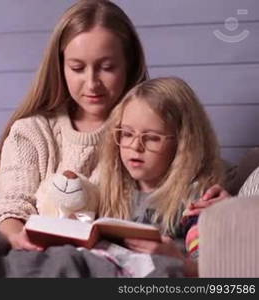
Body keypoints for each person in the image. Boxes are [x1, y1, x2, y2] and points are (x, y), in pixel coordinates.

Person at [0, 0, 228, 251]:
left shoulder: (144, 132)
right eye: (77, 68)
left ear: (129, 64)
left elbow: (191, 170)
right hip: (34, 254)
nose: (92, 84)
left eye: (107, 67)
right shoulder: (31, 132)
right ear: (60, 67)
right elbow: (11, 201)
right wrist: (16, 237)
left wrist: (225, 208)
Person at [95, 77, 224, 276]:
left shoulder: (195, 201)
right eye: (127, 134)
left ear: (183, 144)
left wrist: (177, 259)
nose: (135, 147)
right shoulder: (111, 189)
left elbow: (211, 272)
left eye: (153, 138)